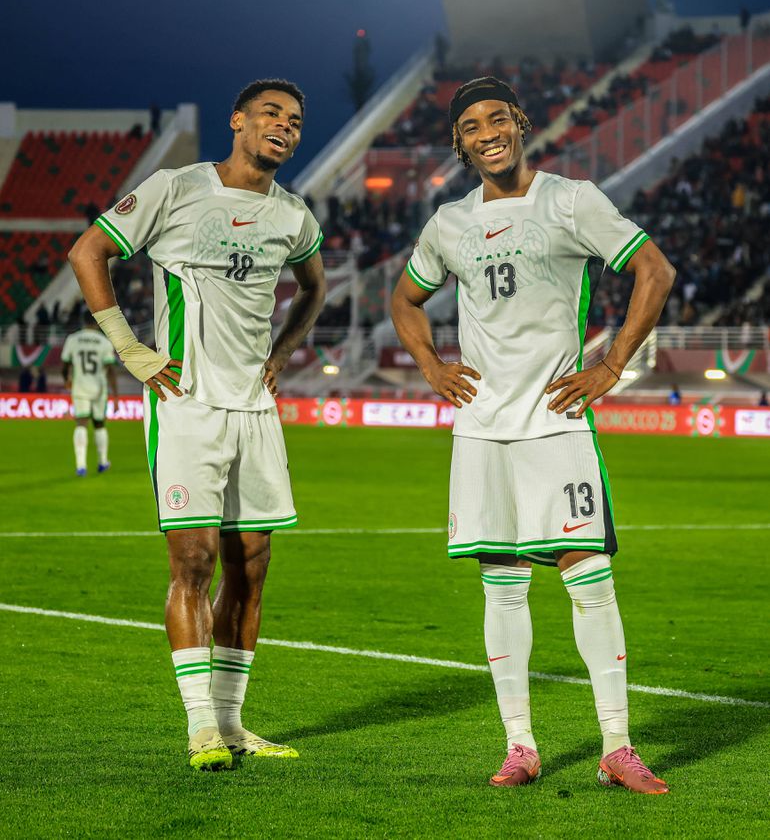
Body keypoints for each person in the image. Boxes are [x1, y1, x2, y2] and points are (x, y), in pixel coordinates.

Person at [391, 77, 675, 794]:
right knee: (503, 589)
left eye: (497, 119)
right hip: (484, 429)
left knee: (590, 582)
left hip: (557, 424)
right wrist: (428, 361)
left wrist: (613, 363)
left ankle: (617, 746)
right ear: (459, 144)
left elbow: (654, 269)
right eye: (471, 126)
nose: (487, 133)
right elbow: (404, 296)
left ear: (520, 123)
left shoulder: (571, 199)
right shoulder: (449, 223)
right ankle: (521, 746)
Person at [68, 78, 326, 771]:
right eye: (270, 114)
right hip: (186, 405)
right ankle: (200, 727)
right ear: (237, 120)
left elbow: (314, 286)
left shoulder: (294, 216)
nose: (284, 126)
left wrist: (284, 352)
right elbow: (88, 252)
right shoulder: (176, 188)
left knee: (253, 567)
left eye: (296, 121)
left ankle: (235, 724)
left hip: (255, 410)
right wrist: (131, 350)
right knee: (194, 562)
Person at [61, 313, 118, 476]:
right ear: (97, 323)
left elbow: (65, 365)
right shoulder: (104, 341)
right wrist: (116, 396)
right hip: (99, 388)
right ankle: (103, 462)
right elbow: (111, 370)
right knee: (99, 424)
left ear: (83, 322)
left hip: (79, 387)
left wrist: (67, 379)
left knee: (81, 423)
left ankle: (81, 466)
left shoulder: (73, 339)